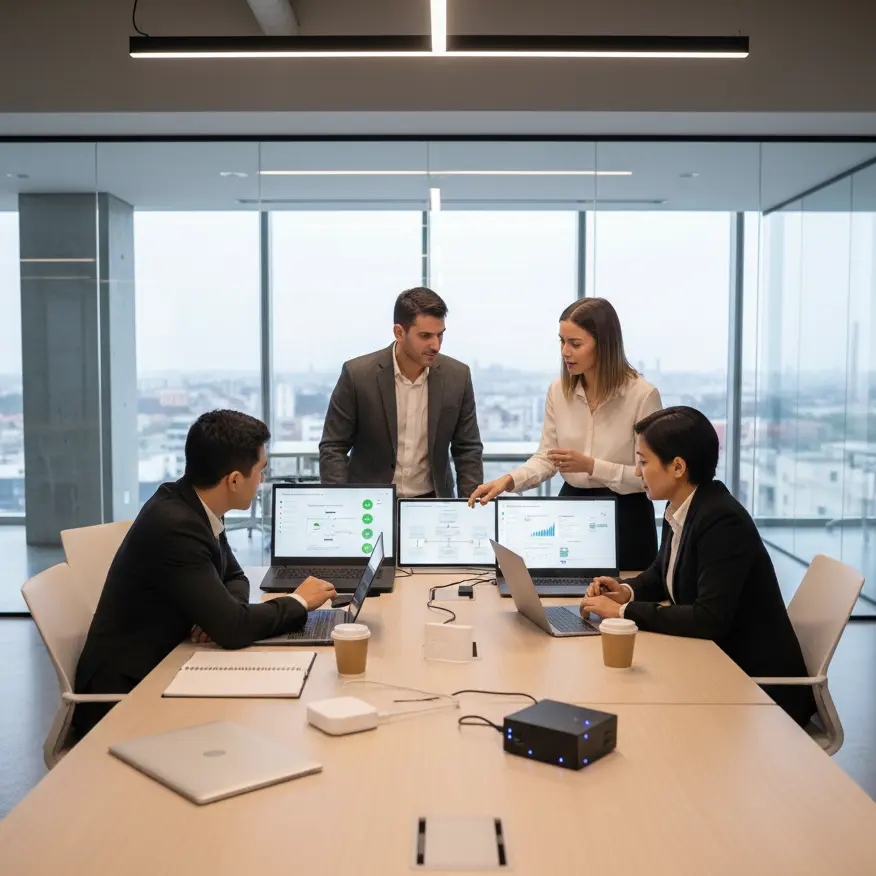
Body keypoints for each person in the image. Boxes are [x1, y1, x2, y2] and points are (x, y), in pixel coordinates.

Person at [73, 410, 337, 737]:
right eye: (261, 472)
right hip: (123, 696)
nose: (262, 482)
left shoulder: (194, 502)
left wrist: (219, 612)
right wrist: (298, 601)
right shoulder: (176, 525)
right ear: (235, 480)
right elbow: (235, 629)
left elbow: (235, 577)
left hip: (165, 662)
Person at [580, 406, 816, 728]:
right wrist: (626, 591)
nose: (638, 472)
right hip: (714, 662)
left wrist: (622, 613)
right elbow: (663, 570)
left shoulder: (721, 521)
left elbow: (708, 619)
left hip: (756, 688)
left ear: (677, 467)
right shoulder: (683, 505)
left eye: (644, 461)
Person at [469, 297, 662, 570]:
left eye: (575, 344)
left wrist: (592, 466)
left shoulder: (643, 395)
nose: (565, 351)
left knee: (623, 603)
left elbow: (649, 478)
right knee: (561, 595)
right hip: (573, 509)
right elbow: (547, 458)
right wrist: (510, 481)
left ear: (604, 344)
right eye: (562, 341)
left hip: (627, 516)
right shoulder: (558, 391)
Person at [319, 287, 483, 499]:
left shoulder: (457, 376)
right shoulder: (358, 375)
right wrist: (341, 504)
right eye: (425, 336)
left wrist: (468, 509)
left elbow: (468, 449)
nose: (435, 345)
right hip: (369, 503)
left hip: (433, 501)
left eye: (440, 335)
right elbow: (333, 447)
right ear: (399, 332)